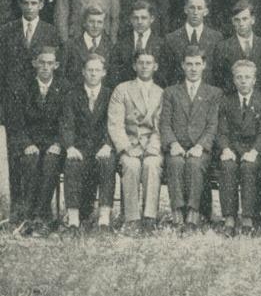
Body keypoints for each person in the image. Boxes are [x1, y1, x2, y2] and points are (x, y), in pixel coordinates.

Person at [159, 46, 222, 229]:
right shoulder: (171, 92)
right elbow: (165, 123)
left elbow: (212, 125)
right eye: (189, 64)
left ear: (204, 65)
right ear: (182, 66)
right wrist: (173, 144)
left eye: (197, 64)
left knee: (195, 164)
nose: (193, 68)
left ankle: (193, 214)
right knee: (175, 163)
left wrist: (201, 146)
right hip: (177, 145)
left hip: (200, 148)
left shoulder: (214, 93)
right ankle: (178, 213)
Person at [8, 47, 67, 236]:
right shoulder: (22, 87)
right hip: (29, 142)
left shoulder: (64, 87)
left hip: (53, 143)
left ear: (56, 65)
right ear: (35, 63)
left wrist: (58, 143)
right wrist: (26, 143)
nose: (45, 67)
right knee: (30, 161)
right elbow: (16, 122)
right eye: (41, 62)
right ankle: (29, 216)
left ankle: (42, 217)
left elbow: (67, 121)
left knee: (51, 161)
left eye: (50, 63)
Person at [107, 49, 164, 235]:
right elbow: (115, 123)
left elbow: (161, 126)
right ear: (134, 66)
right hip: (130, 144)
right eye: (141, 62)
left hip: (150, 145)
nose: (145, 66)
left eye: (149, 63)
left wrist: (153, 147)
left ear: (155, 67)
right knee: (130, 165)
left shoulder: (161, 93)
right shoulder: (122, 89)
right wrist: (126, 147)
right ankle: (131, 219)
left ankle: (149, 218)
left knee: (152, 164)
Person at [216, 59, 261, 236]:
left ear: (254, 80)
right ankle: (230, 218)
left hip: (255, 150)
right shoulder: (226, 101)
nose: (243, 81)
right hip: (233, 149)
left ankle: (248, 217)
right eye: (239, 77)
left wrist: (254, 151)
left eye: (247, 77)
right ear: (234, 80)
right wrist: (226, 149)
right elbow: (222, 131)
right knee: (227, 166)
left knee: (249, 167)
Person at [60, 53, 115, 235]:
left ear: (104, 73)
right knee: (72, 162)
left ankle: (104, 219)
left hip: (102, 147)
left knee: (107, 163)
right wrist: (70, 147)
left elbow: (114, 123)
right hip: (80, 147)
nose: (93, 74)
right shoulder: (72, 95)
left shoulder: (110, 95)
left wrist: (108, 145)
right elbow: (67, 124)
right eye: (89, 70)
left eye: (97, 70)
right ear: (83, 72)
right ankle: (74, 220)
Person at [0, 0, 59, 95]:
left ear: (41, 5)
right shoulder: (6, 30)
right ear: (20, 4)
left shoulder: (51, 32)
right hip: (12, 90)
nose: (29, 7)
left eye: (33, 3)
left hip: (38, 90)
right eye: (26, 3)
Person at [161, 0, 223, 87]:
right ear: (186, 10)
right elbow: (167, 74)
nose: (195, 12)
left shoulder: (216, 38)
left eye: (199, 8)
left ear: (206, 12)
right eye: (192, 8)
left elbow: (218, 72)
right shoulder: (171, 38)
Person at [213, 0, 261, 93]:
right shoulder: (223, 47)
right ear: (232, 21)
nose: (241, 24)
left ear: (253, 20)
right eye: (237, 20)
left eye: (245, 19)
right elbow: (219, 81)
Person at [109, 1, 165, 86]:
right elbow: (114, 73)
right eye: (136, 18)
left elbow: (163, 74)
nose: (139, 22)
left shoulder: (161, 44)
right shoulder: (121, 44)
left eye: (144, 18)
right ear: (131, 20)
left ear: (152, 19)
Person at [62, 6, 114, 85]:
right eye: (91, 21)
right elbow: (62, 76)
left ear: (104, 25)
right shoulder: (70, 45)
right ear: (84, 23)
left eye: (99, 22)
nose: (95, 26)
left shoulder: (111, 47)